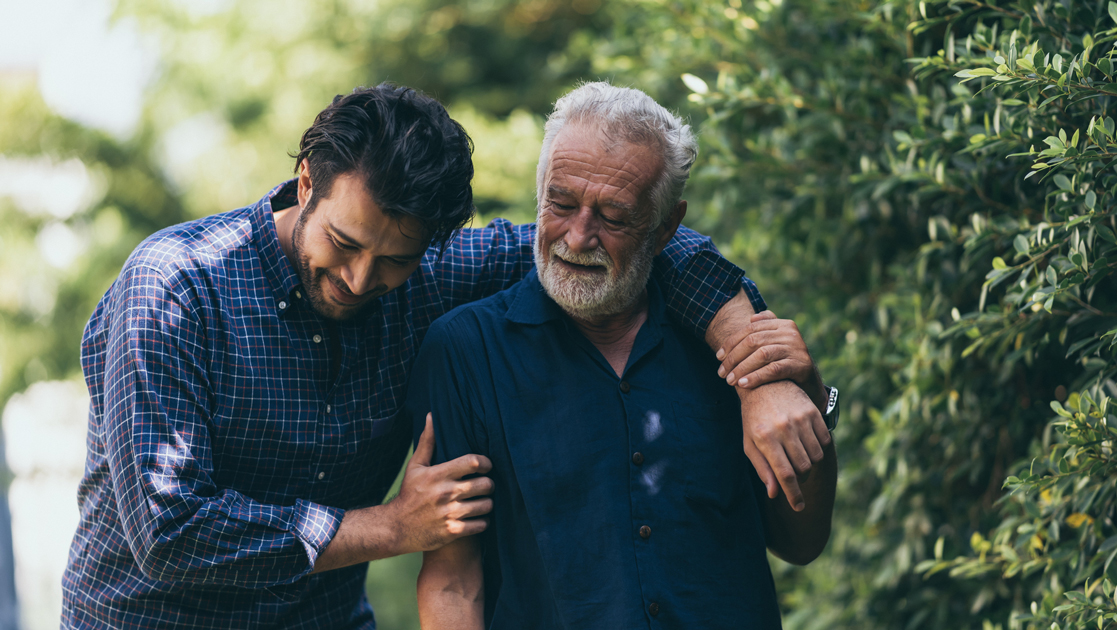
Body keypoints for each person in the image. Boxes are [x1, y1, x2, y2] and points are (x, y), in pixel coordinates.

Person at [61, 84, 829, 628]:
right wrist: (394, 527)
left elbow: (649, 245)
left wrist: (755, 366)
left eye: (393, 260)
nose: (361, 281)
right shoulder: (174, 290)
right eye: (344, 242)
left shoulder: (430, 274)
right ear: (306, 185)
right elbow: (169, 532)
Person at [408, 82, 838, 629]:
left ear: (666, 229)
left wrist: (811, 399)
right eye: (560, 204)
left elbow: (801, 542)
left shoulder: (732, 337)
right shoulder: (466, 350)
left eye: (613, 217)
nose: (579, 237)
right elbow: (452, 579)